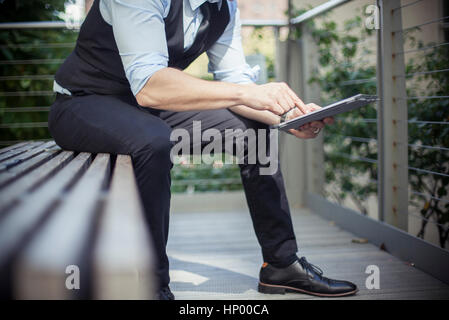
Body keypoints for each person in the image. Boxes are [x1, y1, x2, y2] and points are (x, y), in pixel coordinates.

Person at [48, 0, 357, 300]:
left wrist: (289, 117)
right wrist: (250, 93)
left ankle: (280, 264)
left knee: (253, 131)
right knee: (154, 140)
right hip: (83, 102)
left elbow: (236, 83)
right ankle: (151, 283)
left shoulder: (225, 6)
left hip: (149, 108)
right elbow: (149, 86)